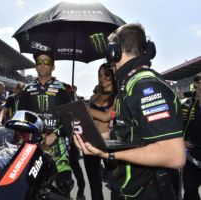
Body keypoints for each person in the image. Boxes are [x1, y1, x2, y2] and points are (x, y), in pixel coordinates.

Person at [74, 23, 186, 200]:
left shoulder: (146, 86)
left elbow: (173, 155)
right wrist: (96, 140)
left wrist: (108, 154)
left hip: (147, 193)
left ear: (114, 51)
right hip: (129, 190)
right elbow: (132, 134)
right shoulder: (130, 85)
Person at [16, 50, 74, 197]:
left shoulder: (62, 89)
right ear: (35, 66)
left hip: (57, 142)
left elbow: (71, 118)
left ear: (53, 67)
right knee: (29, 185)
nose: (42, 65)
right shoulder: (27, 89)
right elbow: (19, 118)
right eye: (39, 62)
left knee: (65, 183)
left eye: (46, 62)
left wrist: (55, 134)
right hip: (32, 144)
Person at [83, 63, 116, 200]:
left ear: (113, 75)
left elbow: (107, 116)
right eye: (100, 75)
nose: (102, 78)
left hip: (110, 144)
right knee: (95, 187)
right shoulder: (93, 97)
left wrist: (85, 109)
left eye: (106, 75)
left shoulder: (118, 95)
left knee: (116, 185)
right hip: (91, 142)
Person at [182, 74, 201, 200]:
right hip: (192, 155)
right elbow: (178, 128)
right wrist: (182, 141)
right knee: (189, 189)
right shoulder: (187, 105)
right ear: (197, 84)